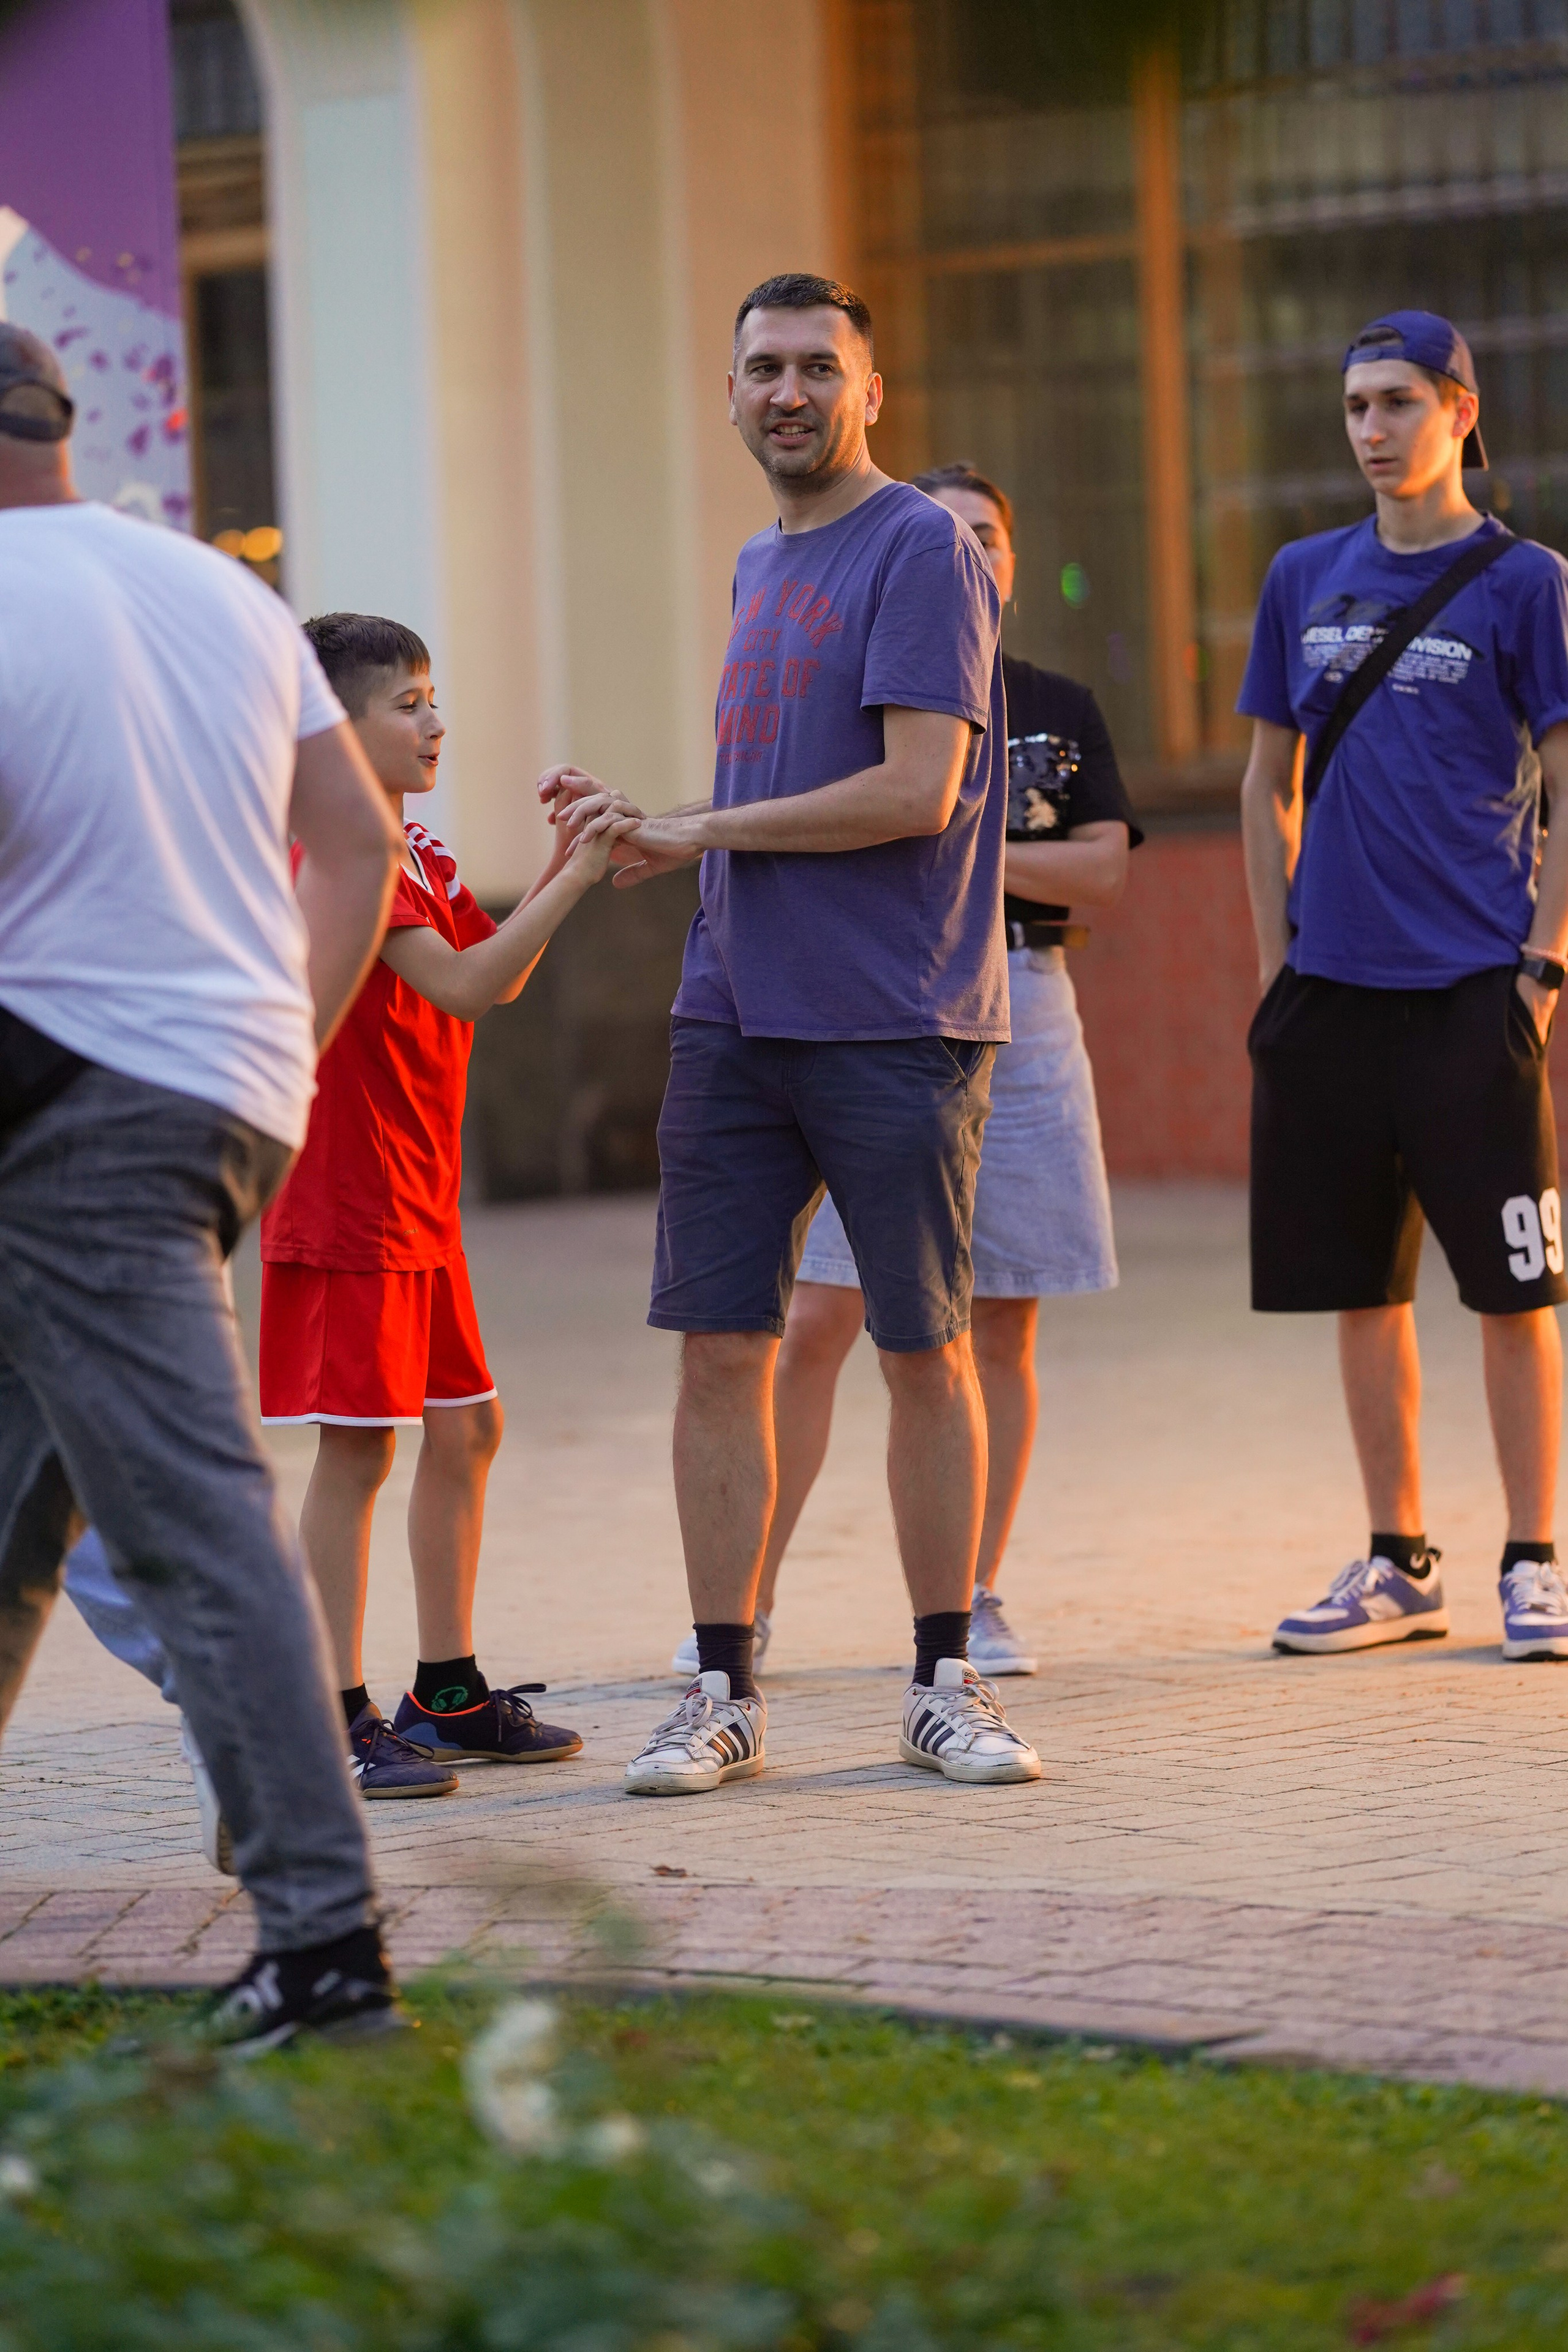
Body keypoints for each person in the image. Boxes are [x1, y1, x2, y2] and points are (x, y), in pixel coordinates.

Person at [545, 273, 1042, 1793]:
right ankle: (720, 1688)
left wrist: (697, 829)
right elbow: (771, 794)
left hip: (892, 1016)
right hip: (732, 1011)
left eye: (817, 368)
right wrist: (649, 830)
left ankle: (942, 1679)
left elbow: (916, 791)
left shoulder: (921, 546)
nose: (787, 393)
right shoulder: (766, 559)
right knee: (717, 1353)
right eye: (761, 368)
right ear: (733, 391)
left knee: (918, 1347)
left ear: (869, 392)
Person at [0, 324, 409, 2049]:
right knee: (16, 1517)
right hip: (226, 1085)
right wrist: (288, 1056)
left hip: (73, 1106)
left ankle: (325, 1953)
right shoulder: (221, 595)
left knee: (191, 1523)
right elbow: (365, 841)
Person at [671, 460, 1140, 1683]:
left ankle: (962, 1617)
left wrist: (955, 830)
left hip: (988, 1005)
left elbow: (1082, 867)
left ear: (1010, 559)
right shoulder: (785, 588)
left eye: (986, 536)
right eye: (950, 534)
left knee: (980, 1326)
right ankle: (742, 1611)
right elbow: (877, 803)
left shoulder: (1052, 703)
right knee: (804, 1323)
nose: (964, 553)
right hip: (819, 995)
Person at [1240, 309, 1568, 1661]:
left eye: (1394, 404)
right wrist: (1275, 974)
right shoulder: (1300, 575)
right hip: (1329, 998)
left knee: (1513, 1290)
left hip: (1470, 992)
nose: (1369, 432)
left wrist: (1542, 966)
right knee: (1361, 1290)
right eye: (1353, 408)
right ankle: (1397, 1560)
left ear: (1457, 412)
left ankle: (1534, 1563)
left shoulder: (1524, 581)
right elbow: (1267, 784)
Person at [258, 613, 634, 1794]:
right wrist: (580, 870)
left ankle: (448, 1693)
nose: (434, 721)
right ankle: (332, 1715)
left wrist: (574, 856)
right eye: (406, 701)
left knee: (466, 1428)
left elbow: (495, 969)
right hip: (352, 1197)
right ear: (332, 726)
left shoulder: (414, 849)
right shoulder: (340, 848)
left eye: (434, 695)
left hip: (419, 1201)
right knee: (359, 1453)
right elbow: (470, 985)